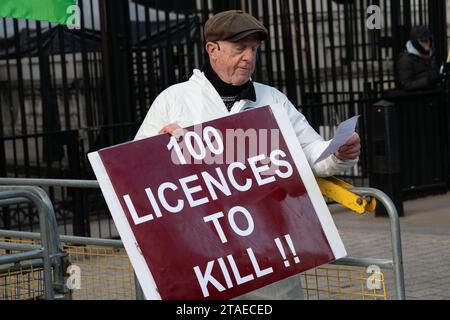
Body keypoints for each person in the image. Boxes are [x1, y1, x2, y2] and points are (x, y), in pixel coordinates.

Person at [135, 10, 360, 299]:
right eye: (240, 49)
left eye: (254, 49)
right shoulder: (174, 100)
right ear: (212, 49)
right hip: (204, 259)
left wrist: (338, 152)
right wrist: (158, 148)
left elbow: (307, 152)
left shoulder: (273, 99)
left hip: (267, 255)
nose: (249, 57)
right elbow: (137, 174)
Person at [397, 26, 449, 91]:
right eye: (423, 41)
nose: (427, 43)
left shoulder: (430, 55)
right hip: (418, 98)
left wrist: (440, 75)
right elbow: (406, 85)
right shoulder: (406, 59)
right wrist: (428, 80)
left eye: (428, 40)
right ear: (415, 42)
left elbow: (433, 76)